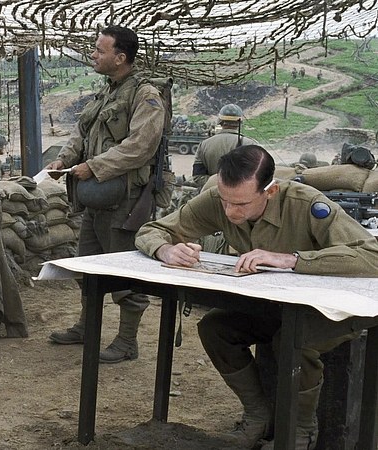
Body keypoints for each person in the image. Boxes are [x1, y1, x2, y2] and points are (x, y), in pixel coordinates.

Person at [135, 144, 378, 449]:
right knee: (215, 328)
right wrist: (165, 249)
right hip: (280, 305)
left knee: (294, 339)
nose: (229, 212)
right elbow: (152, 230)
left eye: (240, 204)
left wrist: (292, 259)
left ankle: (300, 432)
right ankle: (258, 417)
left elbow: (372, 255)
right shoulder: (222, 199)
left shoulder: (307, 205)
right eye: (225, 200)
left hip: (336, 308)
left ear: (270, 191)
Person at [44, 25, 166, 364]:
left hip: (125, 202)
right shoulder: (106, 93)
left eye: (100, 50)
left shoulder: (145, 96)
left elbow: (140, 147)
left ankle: (127, 342)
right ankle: (87, 327)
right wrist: (64, 159)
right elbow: (82, 132)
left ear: (121, 57)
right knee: (87, 267)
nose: (93, 55)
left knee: (125, 273)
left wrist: (94, 166)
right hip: (97, 199)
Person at [191, 103, 259, 188]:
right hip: (241, 194)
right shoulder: (250, 144)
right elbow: (257, 176)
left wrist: (218, 184)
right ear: (240, 122)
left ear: (220, 121)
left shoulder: (204, 144)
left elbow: (197, 177)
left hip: (211, 193)